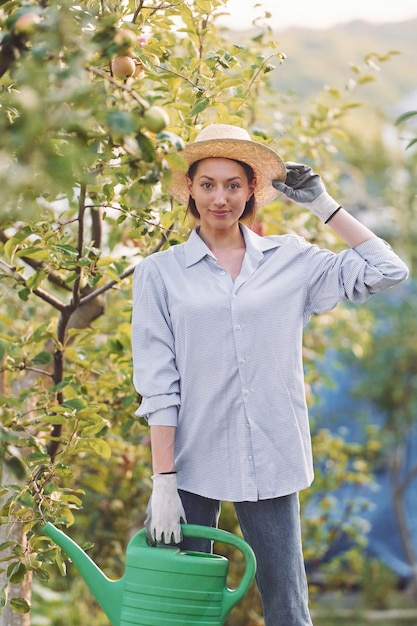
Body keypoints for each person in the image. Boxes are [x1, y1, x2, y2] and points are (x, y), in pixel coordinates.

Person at [131, 124, 409, 625]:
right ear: (190, 189)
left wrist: (324, 205)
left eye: (233, 185)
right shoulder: (159, 273)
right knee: (181, 611)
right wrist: (163, 481)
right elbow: (158, 383)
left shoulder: (293, 259)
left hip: (271, 455)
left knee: (288, 609)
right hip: (189, 463)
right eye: (208, 184)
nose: (221, 197)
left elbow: (388, 270)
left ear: (252, 190)